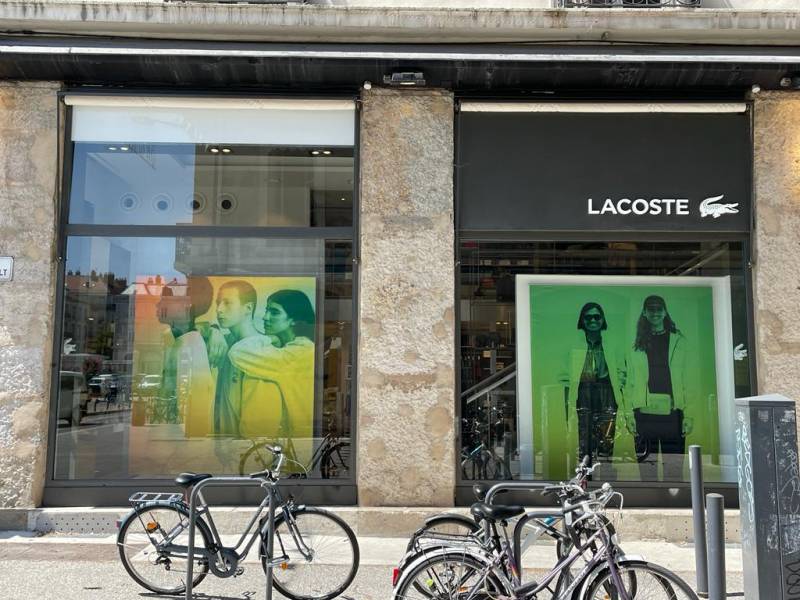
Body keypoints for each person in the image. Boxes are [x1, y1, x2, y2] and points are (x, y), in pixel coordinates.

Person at [228, 290, 316, 461]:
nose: (265, 317)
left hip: (292, 445)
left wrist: (269, 338)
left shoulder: (301, 352)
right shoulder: (281, 352)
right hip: (270, 444)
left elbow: (237, 352)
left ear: (294, 319)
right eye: (267, 310)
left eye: (274, 312)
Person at [564, 302, 635, 478]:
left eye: (597, 316)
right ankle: (584, 474)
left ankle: (605, 472)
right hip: (584, 390)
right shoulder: (574, 343)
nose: (593, 320)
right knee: (584, 432)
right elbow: (566, 372)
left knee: (607, 433)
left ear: (603, 320)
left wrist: (620, 386)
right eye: (588, 317)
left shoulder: (612, 343)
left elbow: (621, 369)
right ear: (582, 320)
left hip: (606, 389)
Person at [625, 295, 690, 480]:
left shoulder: (679, 341)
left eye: (659, 308)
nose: (655, 312)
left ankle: (675, 498)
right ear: (644, 312)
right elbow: (630, 382)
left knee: (675, 466)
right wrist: (629, 414)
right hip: (643, 412)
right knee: (646, 466)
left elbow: (688, 379)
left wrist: (689, 414)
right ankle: (650, 497)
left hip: (673, 411)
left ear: (665, 311)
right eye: (651, 309)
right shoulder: (635, 345)